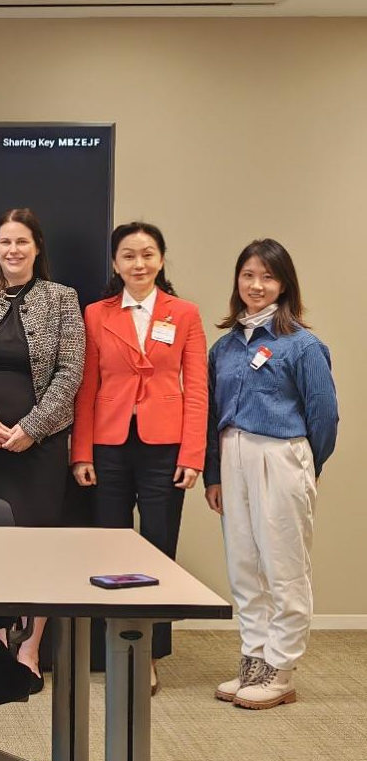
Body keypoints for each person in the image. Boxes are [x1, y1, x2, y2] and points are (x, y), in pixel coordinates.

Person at [0, 208, 85, 693]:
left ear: (37, 247)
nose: (13, 250)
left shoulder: (62, 299)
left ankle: (29, 650)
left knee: (37, 549)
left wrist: (33, 427)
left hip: (40, 449)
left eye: (22, 242)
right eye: (5, 241)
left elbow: (71, 371)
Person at [71, 221, 206, 695]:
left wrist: (193, 453)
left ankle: (149, 654)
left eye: (148, 254)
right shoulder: (96, 314)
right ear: (115, 262)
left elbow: (197, 389)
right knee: (110, 550)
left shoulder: (184, 313)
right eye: (128, 255)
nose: (139, 263)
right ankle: (113, 648)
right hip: (108, 444)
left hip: (164, 447)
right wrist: (81, 451)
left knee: (159, 549)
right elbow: (86, 387)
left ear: (161, 259)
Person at [205, 239, 337, 710]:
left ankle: (281, 668)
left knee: (284, 566)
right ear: (237, 281)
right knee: (244, 566)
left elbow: (324, 415)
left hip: (281, 454)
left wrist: (306, 466)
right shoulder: (224, 347)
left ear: (284, 284)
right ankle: (255, 658)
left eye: (267, 276)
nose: (256, 285)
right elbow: (211, 414)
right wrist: (213, 475)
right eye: (248, 275)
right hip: (232, 454)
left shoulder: (302, 345)